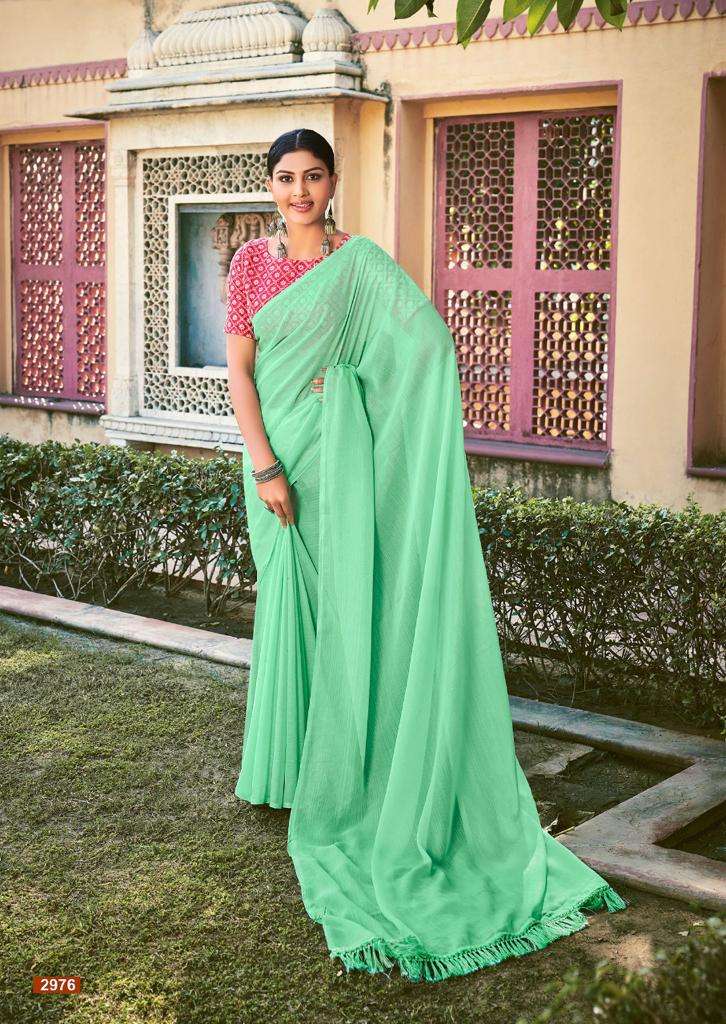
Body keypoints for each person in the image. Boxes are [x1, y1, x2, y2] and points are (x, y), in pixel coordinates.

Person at [224, 128, 628, 983]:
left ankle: (341, 773)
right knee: (289, 605)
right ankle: (288, 773)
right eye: (286, 178)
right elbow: (241, 371)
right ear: (271, 186)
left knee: (345, 605)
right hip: (278, 457)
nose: (299, 191)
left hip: (342, 459)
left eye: (313, 176)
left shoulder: (361, 264)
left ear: (334, 182)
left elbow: (426, 347)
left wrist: (355, 384)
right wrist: (263, 464)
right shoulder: (250, 264)